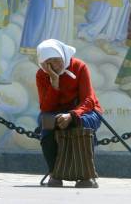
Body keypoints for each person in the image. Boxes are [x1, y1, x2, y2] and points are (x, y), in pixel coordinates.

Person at [35, 39, 103, 188]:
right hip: (57, 113)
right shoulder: (42, 74)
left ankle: (87, 176)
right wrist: (54, 81)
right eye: (49, 62)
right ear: (43, 64)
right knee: (46, 125)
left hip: (86, 112)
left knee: (82, 126)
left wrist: (72, 116)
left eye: (57, 60)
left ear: (63, 57)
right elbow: (46, 107)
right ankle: (54, 173)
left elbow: (88, 99)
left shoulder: (79, 67)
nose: (55, 65)